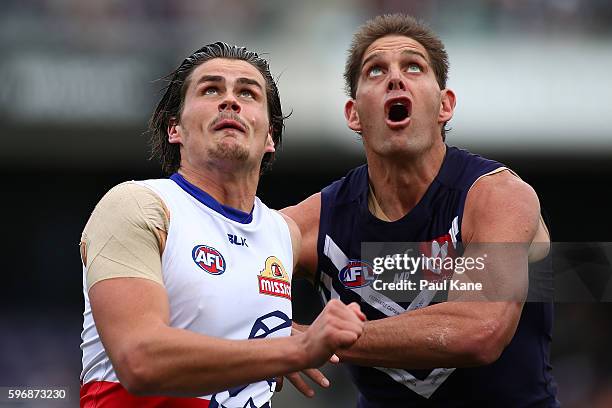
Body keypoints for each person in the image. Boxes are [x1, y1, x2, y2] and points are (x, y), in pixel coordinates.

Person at [282, 14, 559, 407]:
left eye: (413, 66)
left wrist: (316, 341)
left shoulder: (498, 195)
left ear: (445, 104)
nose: (395, 78)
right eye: (375, 71)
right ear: (354, 114)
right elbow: (224, 272)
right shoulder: (312, 221)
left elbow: (479, 330)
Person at [79, 42, 365, 408]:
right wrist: (291, 349)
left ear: (270, 138)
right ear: (174, 128)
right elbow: (139, 360)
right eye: (211, 89)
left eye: (247, 92)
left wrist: (276, 344)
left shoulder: (283, 234)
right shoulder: (139, 206)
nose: (230, 101)